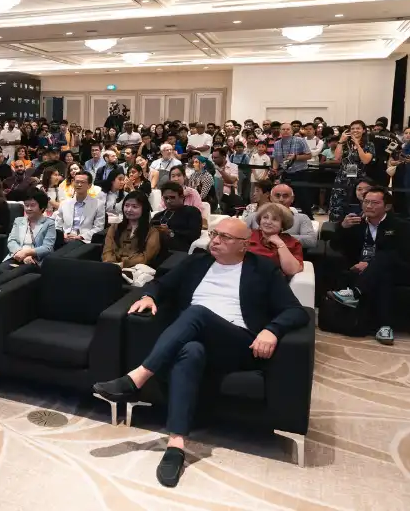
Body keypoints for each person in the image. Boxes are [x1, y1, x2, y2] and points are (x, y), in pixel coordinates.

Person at [93, 218, 308, 488]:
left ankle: (137, 378)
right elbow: (161, 284)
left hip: (237, 343)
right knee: (190, 351)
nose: (215, 241)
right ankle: (175, 446)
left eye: (225, 237)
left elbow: (296, 311)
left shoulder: (262, 269)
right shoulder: (197, 262)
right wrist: (149, 297)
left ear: (244, 245)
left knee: (197, 313)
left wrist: (272, 330)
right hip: (196, 340)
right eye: (214, 234)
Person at [326, 187, 409, 346]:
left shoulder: (400, 226)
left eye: (375, 203)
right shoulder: (356, 223)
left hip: (400, 268)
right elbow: (334, 246)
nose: (369, 206)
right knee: (383, 277)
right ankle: (385, 327)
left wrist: (370, 264)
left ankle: (354, 293)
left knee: (385, 257)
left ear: (387, 207)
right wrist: (342, 227)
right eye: (366, 202)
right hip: (371, 273)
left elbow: (403, 254)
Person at [241, 183, 316, 250]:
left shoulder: (302, 218)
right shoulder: (254, 216)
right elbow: (240, 235)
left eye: (285, 196)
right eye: (277, 196)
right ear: (270, 198)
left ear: (292, 199)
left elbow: (311, 241)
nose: (281, 199)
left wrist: (279, 237)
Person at [0, 188, 56, 272]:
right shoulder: (19, 221)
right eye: (26, 205)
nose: (28, 208)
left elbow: (47, 248)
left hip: (35, 260)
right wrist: (20, 253)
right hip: (16, 256)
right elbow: (11, 241)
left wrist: (27, 253)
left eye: (32, 205)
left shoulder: (49, 223)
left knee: (14, 275)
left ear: (42, 207)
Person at [328, 120, 375, 222]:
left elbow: (366, 160)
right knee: (338, 203)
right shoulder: (345, 143)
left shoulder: (369, 144)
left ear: (363, 130)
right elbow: (336, 157)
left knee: (358, 202)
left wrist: (357, 145)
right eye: (352, 128)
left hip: (359, 178)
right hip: (343, 177)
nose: (355, 130)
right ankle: (337, 224)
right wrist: (341, 141)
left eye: (358, 128)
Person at [102, 190, 160, 269]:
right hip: (111, 268)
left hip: (136, 269)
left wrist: (123, 265)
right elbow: (107, 251)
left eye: (134, 207)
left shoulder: (152, 232)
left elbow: (146, 257)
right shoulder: (114, 228)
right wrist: (111, 264)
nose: (129, 210)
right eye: (126, 205)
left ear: (144, 209)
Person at [247, 203, 303, 276]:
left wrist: (280, 244)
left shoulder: (292, 243)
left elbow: (292, 270)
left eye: (275, 219)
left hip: (273, 279)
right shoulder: (247, 235)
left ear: (282, 224)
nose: (268, 222)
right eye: (265, 217)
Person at [53, 172, 106, 246]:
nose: (79, 185)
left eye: (83, 182)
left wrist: (80, 237)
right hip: (64, 239)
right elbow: (58, 224)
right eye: (77, 182)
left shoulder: (98, 204)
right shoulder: (64, 203)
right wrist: (62, 235)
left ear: (89, 185)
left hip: (84, 241)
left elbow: (98, 227)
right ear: (73, 183)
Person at [270, 123, 312, 216]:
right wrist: (274, 169)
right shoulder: (277, 143)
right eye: (283, 129)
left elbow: (309, 155)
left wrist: (296, 157)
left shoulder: (300, 140)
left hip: (300, 172)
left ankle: (309, 217)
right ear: (280, 131)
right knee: (284, 196)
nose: (285, 131)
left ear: (292, 131)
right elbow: (276, 158)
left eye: (288, 129)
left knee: (303, 197)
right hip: (286, 173)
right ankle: (284, 216)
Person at [151, 182, 202, 253]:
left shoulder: (192, 212)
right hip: (155, 249)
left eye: (172, 197)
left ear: (182, 197)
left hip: (180, 251)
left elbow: (194, 235)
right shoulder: (158, 216)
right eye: (165, 198)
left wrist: (171, 232)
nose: (168, 201)